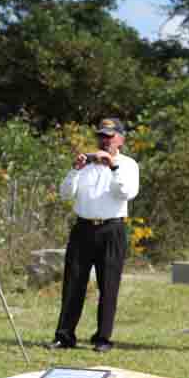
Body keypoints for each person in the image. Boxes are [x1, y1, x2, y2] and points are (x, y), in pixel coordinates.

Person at [48, 117, 140, 353]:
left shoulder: (128, 165)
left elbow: (127, 193)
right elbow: (65, 194)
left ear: (120, 139)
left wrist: (113, 166)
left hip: (112, 228)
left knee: (108, 285)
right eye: (101, 136)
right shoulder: (86, 164)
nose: (104, 141)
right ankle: (64, 335)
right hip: (83, 228)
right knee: (73, 283)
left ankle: (102, 338)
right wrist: (74, 170)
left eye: (109, 136)